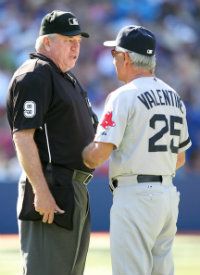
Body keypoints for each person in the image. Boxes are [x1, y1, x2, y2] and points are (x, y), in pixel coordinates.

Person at [82, 25, 192, 275]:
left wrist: (81, 152)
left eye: (115, 54)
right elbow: (180, 157)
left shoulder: (123, 96)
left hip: (135, 196)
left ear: (126, 58)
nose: (114, 60)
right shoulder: (174, 95)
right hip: (167, 195)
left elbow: (98, 154)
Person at [7, 10, 97, 275]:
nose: (76, 47)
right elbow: (22, 137)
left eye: (78, 41)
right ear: (47, 42)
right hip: (52, 187)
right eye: (69, 40)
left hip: (75, 188)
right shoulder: (35, 74)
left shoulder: (65, 77)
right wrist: (41, 191)